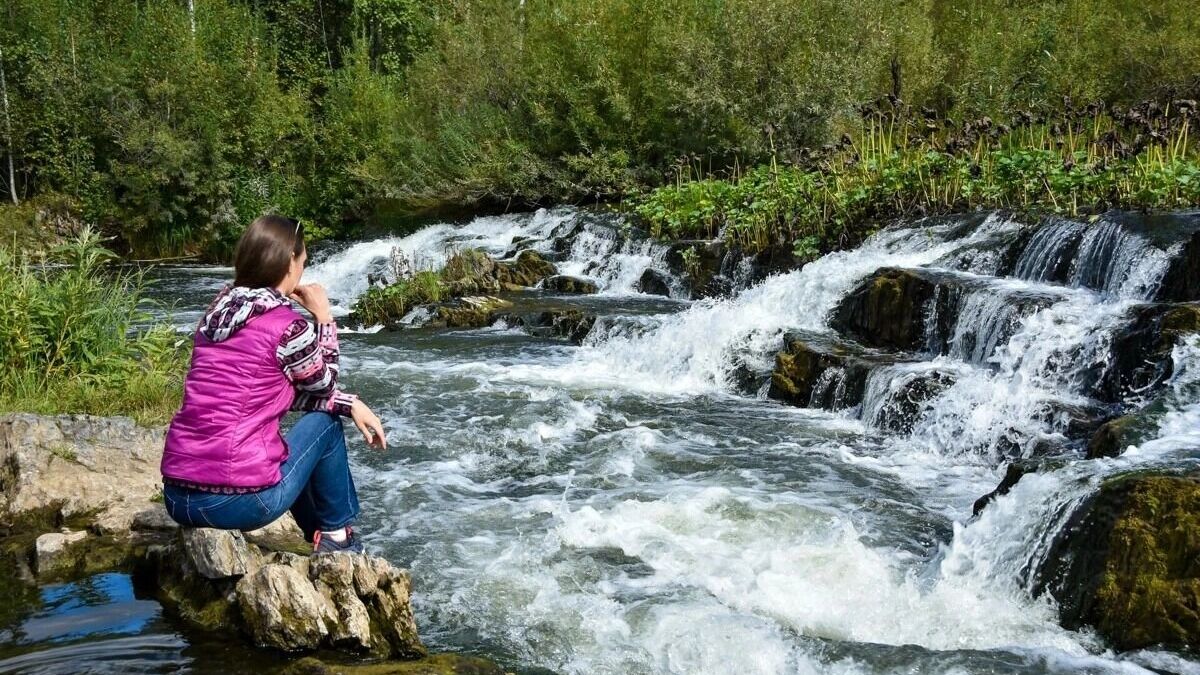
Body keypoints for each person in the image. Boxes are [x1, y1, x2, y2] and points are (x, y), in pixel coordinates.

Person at [160, 214, 387, 554]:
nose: (303, 270)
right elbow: (325, 386)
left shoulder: (217, 313)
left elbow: (267, 394)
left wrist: (349, 403)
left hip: (177, 498)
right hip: (238, 504)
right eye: (303, 261)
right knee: (325, 425)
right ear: (289, 261)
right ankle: (337, 539)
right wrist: (324, 318)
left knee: (297, 436)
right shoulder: (288, 327)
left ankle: (318, 533)